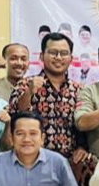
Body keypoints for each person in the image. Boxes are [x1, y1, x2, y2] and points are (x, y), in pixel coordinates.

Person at [12, 33, 89, 165]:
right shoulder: (26, 84)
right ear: (42, 56)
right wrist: (29, 92)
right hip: (33, 161)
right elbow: (15, 114)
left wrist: (82, 147)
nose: (58, 57)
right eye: (53, 52)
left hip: (68, 164)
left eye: (64, 53)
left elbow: (83, 126)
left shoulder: (79, 90)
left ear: (71, 58)